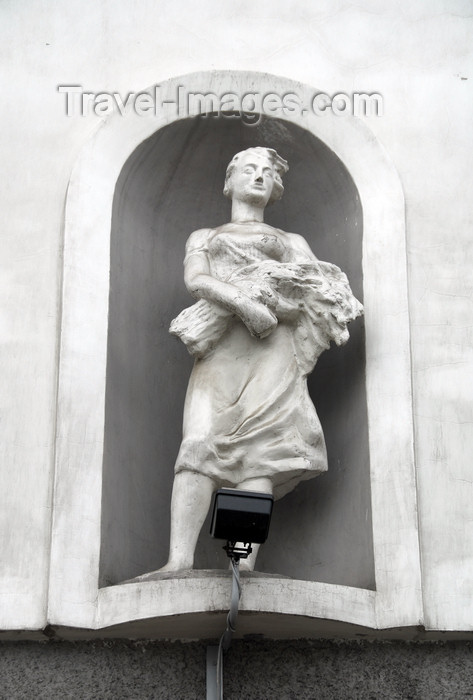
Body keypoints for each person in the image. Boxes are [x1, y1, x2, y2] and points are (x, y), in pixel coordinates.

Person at [159, 146, 362, 572]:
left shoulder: (291, 242)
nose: (258, 177)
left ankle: (243, 564)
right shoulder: (205, 236)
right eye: (249, 170)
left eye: (267, 172)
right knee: (198, 444)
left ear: (276, 187)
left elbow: (316, 295)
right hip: (221, 352)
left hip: (273, 355)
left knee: (260, 452)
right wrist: (244, 302)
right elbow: (197, 280)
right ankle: (178, 561)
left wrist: (274, 305)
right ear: (228, 181)